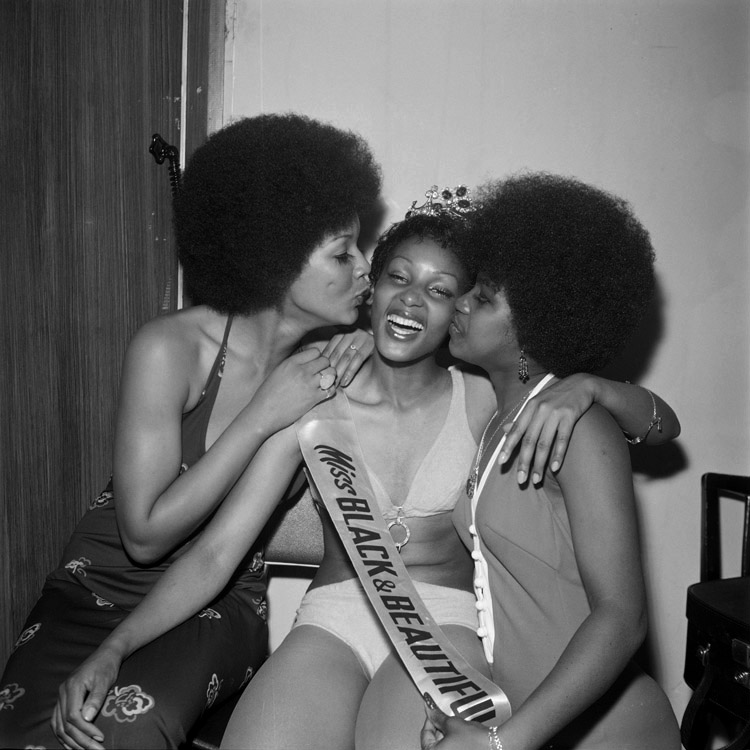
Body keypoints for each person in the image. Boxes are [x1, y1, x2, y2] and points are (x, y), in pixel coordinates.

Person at [51, 188, 679, 750]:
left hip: (447, 628)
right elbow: (215, 555)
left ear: (462, 309)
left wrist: (593, 386)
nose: (412, 302)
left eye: (441, 291)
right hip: (332, 618)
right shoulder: (315, 396)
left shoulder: (491, 399)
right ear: (370, 289)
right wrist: (116, 646)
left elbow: (643, 422)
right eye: (396, 279)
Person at [0, 112, 382, 750]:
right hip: (97, 584)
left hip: (220, 595)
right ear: (276, 254)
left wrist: (377, 345)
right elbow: (143, 536)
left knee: (122, 728)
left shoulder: (324, 373)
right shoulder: (171, 347)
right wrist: (264, 410)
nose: (365, 270)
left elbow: (213, 554)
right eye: (343, 253)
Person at [423, 173, 681, 750]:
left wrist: (500, 746)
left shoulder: (577, 423)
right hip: (525, 720)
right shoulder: (496, 419)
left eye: (484, 298)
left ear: (539, 319)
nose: (459, 304)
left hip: (603, 732)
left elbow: (622, 617)